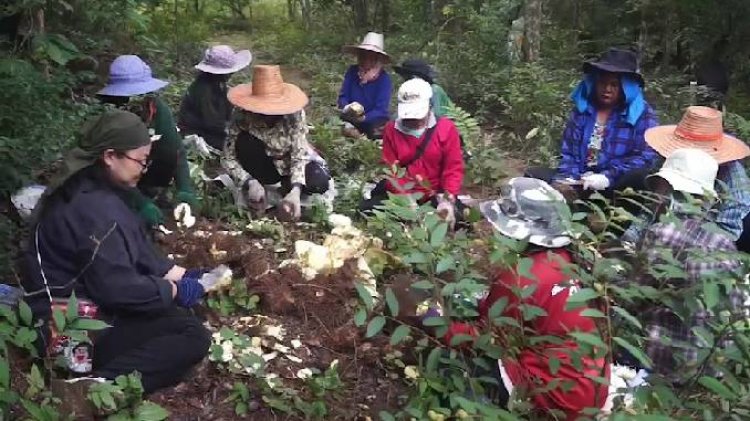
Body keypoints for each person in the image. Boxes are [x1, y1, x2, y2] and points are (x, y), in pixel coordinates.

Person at [21, 111, 210, 393]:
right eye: (140, 161)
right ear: (110, 156)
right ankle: (94, 388)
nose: (143, 169)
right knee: (191, 336)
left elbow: (135, 250)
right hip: (62, 326)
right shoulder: (95, 209)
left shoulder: (95, 190)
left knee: (177, 320)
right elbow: (118, 289)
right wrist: (173, 290)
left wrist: (187, 276)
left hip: (81, 305)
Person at [445, 177, 609, 419]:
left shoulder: (521, 278)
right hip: (591, 389)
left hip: (554, 394)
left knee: (454, 367)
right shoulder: (575, 260)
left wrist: (435, 323)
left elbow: (489, 341)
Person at [618, 148, 745, 383]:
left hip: (664, 361)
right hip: (708, 364)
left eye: (660, 189)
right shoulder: (723, 240)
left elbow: (632, 297)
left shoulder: (663, 233)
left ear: (669, 192)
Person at [526, 48, 659, 198]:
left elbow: (646, 157)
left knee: (638, 178)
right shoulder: (583, 110)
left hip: (615, 183)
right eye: (603, 83)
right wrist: (569, 176)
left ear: (625, 88)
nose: (607, 90)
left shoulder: (643, 114)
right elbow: (569, 151)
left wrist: (608, 177)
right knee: (533, 175)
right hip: (581, 180)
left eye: (614, 85)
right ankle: (572, 201)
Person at [98, 55, 198, 227]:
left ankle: (151, 193)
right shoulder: (107, 118)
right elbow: (105, 168)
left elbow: (176, 151)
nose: (133, 102)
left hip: (145, 173)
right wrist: (138, 201)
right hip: (111, 183)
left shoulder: (159, 111)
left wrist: (184, 189)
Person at [223, 65, 331, 220]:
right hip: (262, 164)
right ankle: (259, 188)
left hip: (287, 163)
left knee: (318, 182)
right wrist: (249, 181)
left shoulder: (295, 115)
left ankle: (288, 187)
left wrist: (296, 190)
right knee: (246, 142)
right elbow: (228, 157)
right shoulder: (241, 115)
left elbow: (299, 153)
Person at [641, 106, 750, 251]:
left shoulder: (732, 175)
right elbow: (652, 205)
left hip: (710, 239)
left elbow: (728, 229)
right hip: (667, 228)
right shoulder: (668, 158)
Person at [360, 78, 464, 228]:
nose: (415, 120)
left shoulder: (446, 129)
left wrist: (447, 199)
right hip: (403, 192)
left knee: (459, 219)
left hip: (434, 193)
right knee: (367, 208)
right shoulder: (391, 129)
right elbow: (391, 169)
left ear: (430, 105)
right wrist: (405, 199)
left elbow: (453, 168)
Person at [178, 45, 252, 151]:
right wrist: (234, 130)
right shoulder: (203, 90)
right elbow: (212, 123)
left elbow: (227, 108)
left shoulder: (218, 84)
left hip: (212, 129)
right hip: (200, 134)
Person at [338, 32, 392, 140]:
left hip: (373, 121)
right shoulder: (352, 72)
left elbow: (381, 109)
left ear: (377, 58)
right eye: (363, 54)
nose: (366, 58)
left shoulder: (384, 79)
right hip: (350, 117)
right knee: (336, 123)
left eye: (370, 55)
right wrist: (347, 108)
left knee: (378, 130)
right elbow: (343, 97)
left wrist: (364, 118)